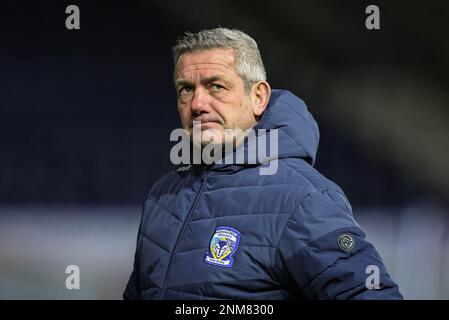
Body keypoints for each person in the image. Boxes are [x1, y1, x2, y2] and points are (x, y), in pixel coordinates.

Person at [124, 27, 402, 300]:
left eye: (216, 86)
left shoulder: (303, 198)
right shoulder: (162, 196)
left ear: (258, 97)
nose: (197, 103)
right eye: (186, 89)